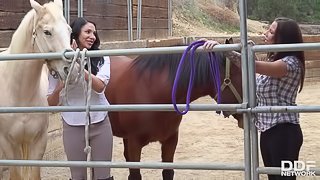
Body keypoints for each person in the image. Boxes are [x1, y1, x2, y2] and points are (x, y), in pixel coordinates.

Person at [203, 17, 305, 180]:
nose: (266, 33)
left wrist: (221, 49)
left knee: (285, 178)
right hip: (268, 131)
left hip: (284, 132)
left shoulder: (290, 64)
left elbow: (253, 66)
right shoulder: (274, 61)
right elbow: (257, 71)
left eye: (271, 32)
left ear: (283, 38)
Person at [47, 17, 113, 180]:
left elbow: (99, 87)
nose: (92, 36)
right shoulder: (57, 63)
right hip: (72, 123)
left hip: (100, 121)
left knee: (103, 175)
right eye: (88, 32)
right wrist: (61, 85)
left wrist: (77, 65)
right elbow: (51, 103)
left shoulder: (102, 57)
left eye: (94, 33)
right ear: (75, 34)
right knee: (77, 176)